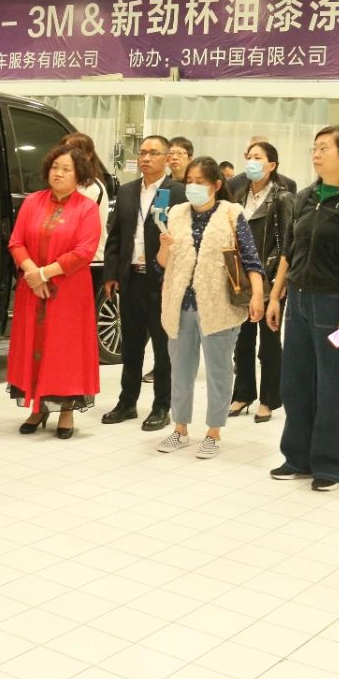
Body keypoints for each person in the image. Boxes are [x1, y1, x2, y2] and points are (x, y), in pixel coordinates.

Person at [267, 126, 339, 491]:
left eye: (324, 148)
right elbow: (290, 250)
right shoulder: (305, 196)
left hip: (332, 304)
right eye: (314, 147)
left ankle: (331, 464)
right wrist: (275, 295)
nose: (316, 153)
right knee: (295, 380)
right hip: (298, 300)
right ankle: (297, 457)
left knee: (332, 382)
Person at [156, 158, 265, 458]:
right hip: (180, 306)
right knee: (180, 371)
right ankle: (180, 428)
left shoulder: (232, 213)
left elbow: (251, 259)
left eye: (200, 182)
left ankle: (213, 432)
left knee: (219, 372)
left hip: (219, 308)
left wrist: (257, 295)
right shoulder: (176, 213)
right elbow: (162, 263)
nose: (192, 186)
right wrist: (164, 244)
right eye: (189, 181)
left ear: (216, 185)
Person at [7, 145, 102, 439]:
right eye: (54, 167)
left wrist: (44, 273)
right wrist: (31, 272)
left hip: (69, 293)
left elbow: (84, 252)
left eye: (66, 169)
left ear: (79, 175)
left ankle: (66, 411)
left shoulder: (87, 208)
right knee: (33, 344)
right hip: (31, 289)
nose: (58, 173)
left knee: (64, 349)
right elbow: (16, 242)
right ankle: (38, 407)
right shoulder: (32, 201)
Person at [101, 135, 186, 431]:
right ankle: (127, 402)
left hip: (162, 282)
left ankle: (162, 406)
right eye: (142, 153)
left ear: (167, 158)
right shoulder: (126, 191)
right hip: (131, 279)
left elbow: (185, 240)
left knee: (163, 349)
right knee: (132, 346)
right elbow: (115, 236)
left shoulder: (178, 193)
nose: (146, 158)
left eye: (153, 153)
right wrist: (111, 274)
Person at [230, 141, 294, 424]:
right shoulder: (238, 195)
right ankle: (243, 393)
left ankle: (269, 399)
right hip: (241, 278)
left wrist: (279, 286)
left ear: (271, 165)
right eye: (249, 156)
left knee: (269, 342)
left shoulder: (282, 197)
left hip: (270, 279)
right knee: (242, 339)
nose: (251, 162)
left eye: (258, 157)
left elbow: (287, 245)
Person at [63, 132, 109, 263]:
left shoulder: (92, 189)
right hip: (67, 258)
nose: (68, 155)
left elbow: (72, 226)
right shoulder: (67, 183)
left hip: (89, 259)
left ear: (88, 155)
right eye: (65, 150)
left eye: (74, 150)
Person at [227, 135, 297, 196]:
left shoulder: (288, 185)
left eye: (257, 157)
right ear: (246, 156)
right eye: (250, 157)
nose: (253, 161)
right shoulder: (233, 184)